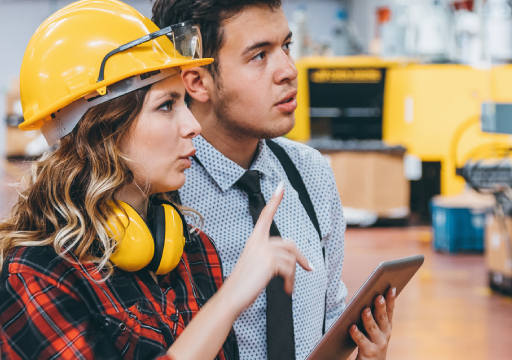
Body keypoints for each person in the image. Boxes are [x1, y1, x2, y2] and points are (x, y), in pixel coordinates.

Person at [0, 2, 397, 359]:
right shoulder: (41, 275)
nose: (192, 125)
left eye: (286, 47)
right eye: (168, 106)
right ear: (104, 129)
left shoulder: (184, 245)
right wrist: (231, 298)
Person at [151, 0, 396, 359]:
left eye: (286, 46)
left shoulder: (310, 174)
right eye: (259, 56)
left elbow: (330, 318)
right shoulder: (163, 194)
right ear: (198, 81)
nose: (289, 70)